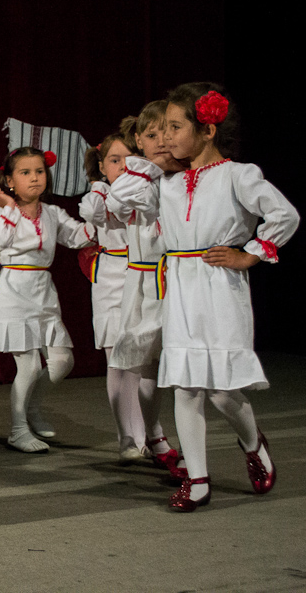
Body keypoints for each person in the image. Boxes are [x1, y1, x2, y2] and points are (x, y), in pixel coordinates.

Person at [111, 83, 298, 510]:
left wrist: (249, 254)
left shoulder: (237, 175)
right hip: (180, 286)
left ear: (208, 130)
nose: (166, 136)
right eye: (162, 129)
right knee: (186, 385)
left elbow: (284, 215)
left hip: (219, 286)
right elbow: (120, 199)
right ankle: (197, 480)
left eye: (175, 127)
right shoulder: (167, 182)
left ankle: (252, 442)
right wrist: (152, 165)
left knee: (221, 391)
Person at [0, 148, 94, 453]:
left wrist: (103, 214)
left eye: (39, 171)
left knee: (62, 361)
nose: (34, 177)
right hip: (13, 290)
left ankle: (32, 407)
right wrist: (8, 206)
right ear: (9, 180)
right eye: (25, 172)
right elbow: (1, 239)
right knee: (30, 366)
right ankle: (18, 429)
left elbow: (80, 236)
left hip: (43, 291)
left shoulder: (52, 213)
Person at [107, 103, 184, 476]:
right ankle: (152, 436)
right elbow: (120, 201)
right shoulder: (135, 178)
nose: (161, 142)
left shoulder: (183, 177)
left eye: (167, 133)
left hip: (179, 280)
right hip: (145, 283)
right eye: (151, 135)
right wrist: (150, 170)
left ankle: (168, 440)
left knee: (178, 366)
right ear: (137, 140)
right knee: (144, 364)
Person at [79, 133, 146, 461]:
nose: (122, 166)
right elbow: (91, 213)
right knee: (116, 359)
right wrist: (96, 184)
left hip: (141, 273)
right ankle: (126, 437)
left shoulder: (145, 190)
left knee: (139, 362)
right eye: (114, 160)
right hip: (109, 276)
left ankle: (145, 435)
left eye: (128, 159)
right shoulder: (99, 194)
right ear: (102, 166)